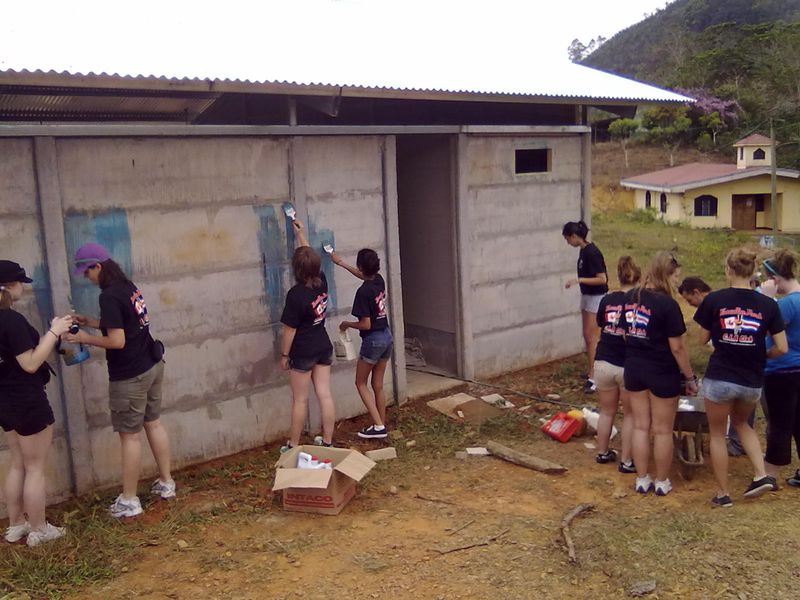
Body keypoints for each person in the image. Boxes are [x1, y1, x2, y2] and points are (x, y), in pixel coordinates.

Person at [65, 244, 175, 519]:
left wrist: (82, 337)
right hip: (152, 364)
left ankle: (129, 500)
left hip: (130, 375)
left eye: (86, 271)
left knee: (130, 437)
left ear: (98, 266)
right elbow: (125, 323)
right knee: (154, 423)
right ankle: (166, 483)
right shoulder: (127, 286)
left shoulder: (109, 296)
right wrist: (90, 321)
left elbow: (117, 340)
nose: (86, 277)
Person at [694, 248, 786, 507]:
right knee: (743, 424)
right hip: (752, 380)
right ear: (752, 272)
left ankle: (723, 494)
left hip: (720, 377)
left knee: (716, 434)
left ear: (728, 270)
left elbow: (702, 339)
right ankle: (761, 474)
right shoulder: (768, 305)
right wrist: (762, 354)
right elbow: (783, 347)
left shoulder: (714, 300)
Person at [0, 261, 73, 546]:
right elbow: (29, 363)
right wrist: (54, 332)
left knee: (18, 463)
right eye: (20, 282)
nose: (23, 287)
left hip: (4, 400)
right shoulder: (11, 320)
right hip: (26, 399)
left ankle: (17, 524)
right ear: (8, 286)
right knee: (35, 467)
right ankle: (40, 530)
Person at [624, 252, 698, 496]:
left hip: (634, 369)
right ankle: (662, 481)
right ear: (665, 275)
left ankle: (642, 478)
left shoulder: (631, 297)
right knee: (663, 429)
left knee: (641, 426)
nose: (678, 281)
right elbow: (677, 347)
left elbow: (626, 333)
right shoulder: (668, 305)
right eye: (676, 276)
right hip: (661, 371)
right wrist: (689, 377)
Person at [279, 220, 336, 451]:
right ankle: (328, 442)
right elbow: (310, 260)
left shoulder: (295, 295)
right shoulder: (321, 282)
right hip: (323, 346)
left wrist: (284, 355)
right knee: (324, 394)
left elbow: (289, 330)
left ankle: (293, 445)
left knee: (300, 400)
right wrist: (301, 236)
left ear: (296, 269)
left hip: (303, 352)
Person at [332, 248, 392, 439]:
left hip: (373, 340)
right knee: (378, 385)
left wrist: (346, 324)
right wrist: (340, 263)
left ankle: (379, 427)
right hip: (386, 337)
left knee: (360, 383)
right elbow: (363, 275)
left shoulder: (362, 292)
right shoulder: (378, 280)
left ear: (361, 266)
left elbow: (365, 324)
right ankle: (380, 424)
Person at [594, 256, 640, 472]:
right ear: (638, 277)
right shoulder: (638, 302)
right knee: (629, 414)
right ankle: (627, 460)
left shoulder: (607, 299)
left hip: (603, 361)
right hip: (626, 365)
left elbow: (601, 323)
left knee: (606, 411)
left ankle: (602, 452)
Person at [761, 250, 800, 488]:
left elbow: (767, 329)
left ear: (775, 279)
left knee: (779, 423)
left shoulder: (786, 304)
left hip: (780, 370)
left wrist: (767, 300)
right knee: (798, 422)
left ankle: (770, 474)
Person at [563, 220, 608, 394]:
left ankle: (595, 376)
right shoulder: (583, 251)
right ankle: (591, 370)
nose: (568, 243)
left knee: (592, 337)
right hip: (588, 296)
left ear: (575, 236)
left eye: (568, 239)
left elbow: (602, 279)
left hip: (596, 298)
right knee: (588, 336)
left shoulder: (592, 253)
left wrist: (579, 280)